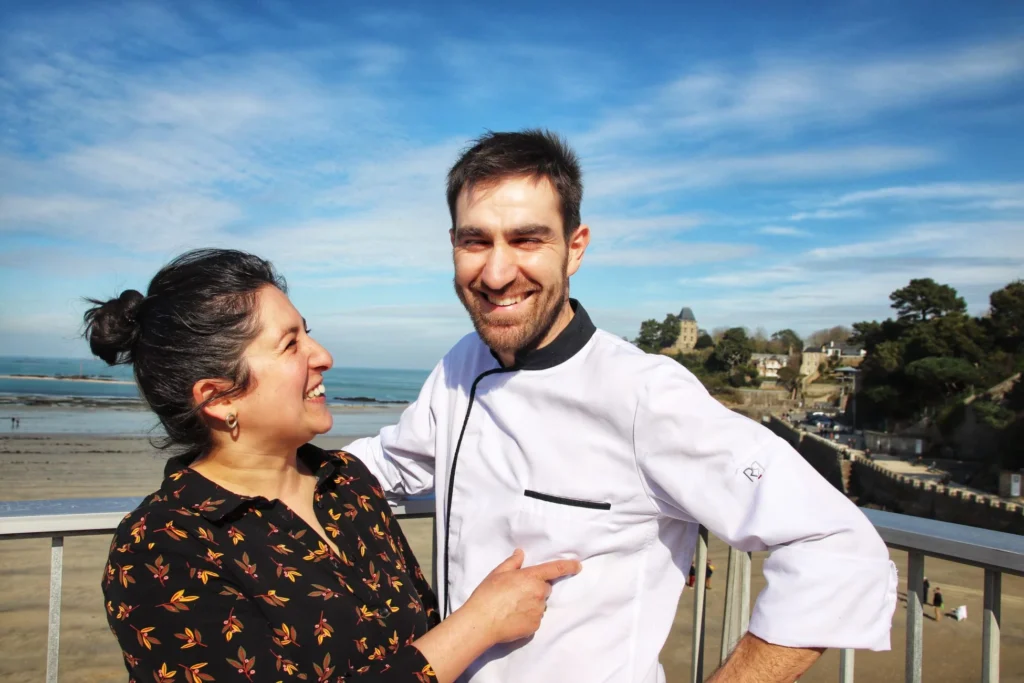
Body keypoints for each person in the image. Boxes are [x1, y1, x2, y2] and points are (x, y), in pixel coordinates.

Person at [345, 130, 897, 683]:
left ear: (576, 247)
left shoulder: (645, 395)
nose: (495, 273)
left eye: (527, 240)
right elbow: (392, 462)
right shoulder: (462, 363)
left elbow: (837, 546)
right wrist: (259, 464)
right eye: (476, 241)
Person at [88, 249, 579, 683]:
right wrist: (477, 625)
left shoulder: (347, 484)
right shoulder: (162, 547)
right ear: (219, 398)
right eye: (289, 345)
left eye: (309, 334)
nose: (323, 356)